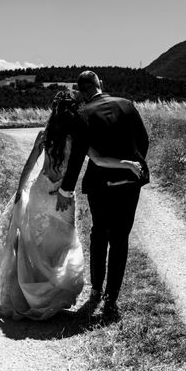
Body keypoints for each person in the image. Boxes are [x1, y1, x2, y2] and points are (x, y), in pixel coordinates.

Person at [0, 90, 144, 320]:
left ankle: (36, 294)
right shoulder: (78, 139)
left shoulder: (44, 135)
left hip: (40, 193)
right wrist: (126, 163)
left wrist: (20, 191)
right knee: (63, 244)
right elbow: (99, 160)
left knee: (39, 245)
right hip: (63, 197)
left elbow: (29, 167)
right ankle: (52, 297)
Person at [53, 71, 149, 318]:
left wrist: (66, 188)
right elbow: (143, 140)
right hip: (129, 183)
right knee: (121, 238)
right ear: (100, 85)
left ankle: (96, 289)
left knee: (99, 233)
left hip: (100, 184)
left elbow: (77, 156)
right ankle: (111, 299)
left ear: (81, 91)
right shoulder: (126, 105)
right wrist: (133, 166)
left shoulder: (82, 114)